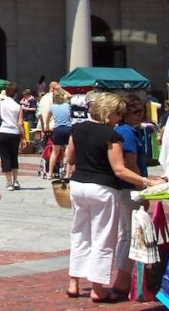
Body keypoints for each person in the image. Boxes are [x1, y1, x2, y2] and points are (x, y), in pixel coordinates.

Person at [65, 92, 163, 303]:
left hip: (78, 185)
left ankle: (73, 282)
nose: (119, 118)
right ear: (108, 113)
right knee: (103, 237)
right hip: (102, 188)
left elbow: (70, 157)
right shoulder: (111, 135)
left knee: (79, 233)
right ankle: (97, 288)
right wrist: (149, 182)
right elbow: (120, 170)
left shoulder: (77, 128)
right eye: (117, 114)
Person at [112, 94, 149, 299]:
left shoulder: (124, 131)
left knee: (126, 233)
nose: (140, 116)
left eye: (143, 111)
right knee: (130, 234)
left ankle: (123, 279)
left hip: (124, 189)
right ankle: (122, 281)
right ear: (126, 114)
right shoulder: (126, 133)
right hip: (130, 189)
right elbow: (131, 164)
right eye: (136, 112)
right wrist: (143, 187)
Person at [0, 82, 23, 191]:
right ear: (15, 94)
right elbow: (20, 123)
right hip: (14, 133)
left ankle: (9, 182)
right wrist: (23, 137)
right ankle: (15, 180)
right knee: (14, 156)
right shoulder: (18, 106)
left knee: (5, 157)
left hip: (3, 131)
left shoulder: (0, 104)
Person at [48, 88, 73, 178]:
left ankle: (50, 173)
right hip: (68, 128)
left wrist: (47, 126)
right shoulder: (67, 105)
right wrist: (61, 88)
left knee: (55, 152)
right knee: (68, 151)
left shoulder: (52, 106)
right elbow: (70, 96)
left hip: (58, 129)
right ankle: (67, 174)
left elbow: (47, 118)